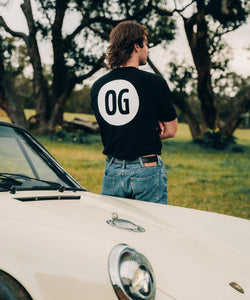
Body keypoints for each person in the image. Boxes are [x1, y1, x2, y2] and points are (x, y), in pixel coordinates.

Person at [90, 20, 177, 204]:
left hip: (112, 171)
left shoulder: (97, 87)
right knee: (152, 228)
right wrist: (145, 130)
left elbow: (114, 129)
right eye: (146, 44)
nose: (148, 49)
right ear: (136, 46)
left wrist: (132, 131)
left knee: (113, 229)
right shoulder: (155, 83)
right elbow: (171, 130)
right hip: (147, 169)